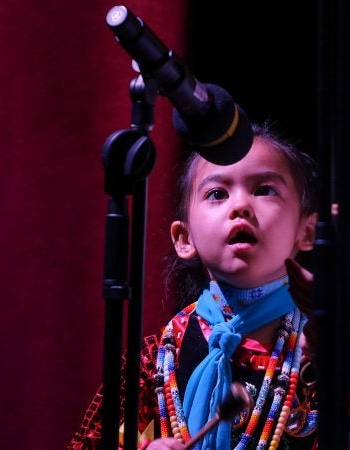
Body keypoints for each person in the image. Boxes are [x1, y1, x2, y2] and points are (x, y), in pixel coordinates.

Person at [67, 122, 319, 449]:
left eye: (264, 189)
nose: (241, 206)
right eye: (217, 194)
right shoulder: (154, 360)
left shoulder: (322, 348)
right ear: (184, 239)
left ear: (308, 231)